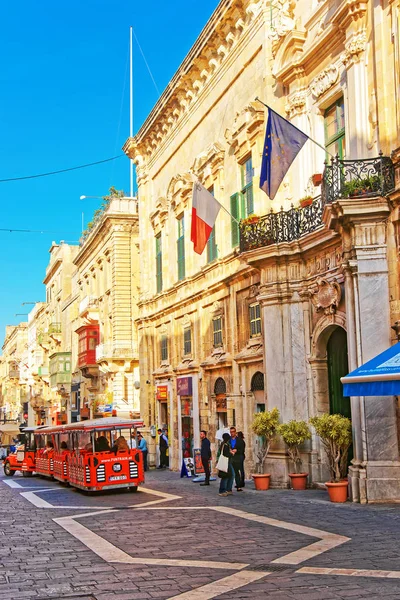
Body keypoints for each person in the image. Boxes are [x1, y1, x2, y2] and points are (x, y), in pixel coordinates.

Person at [217, 433, 235, 497]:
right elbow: (225, 454)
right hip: (226, 462)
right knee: (226, 476)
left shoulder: (224, 444)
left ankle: (228, 489)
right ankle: (223, 490)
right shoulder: (225, 444)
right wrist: (232, 453)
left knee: (230, 475)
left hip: (227, 462)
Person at [230, 426, 245, 491]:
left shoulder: (239, 440)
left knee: (239, 471)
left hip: (238, 457)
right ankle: (235, 486)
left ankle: (240, 484)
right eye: (231, 432)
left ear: (235, 432)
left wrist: (236, 451)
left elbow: (242, 450)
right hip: (231, 457)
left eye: (233, 432)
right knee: (233, 472)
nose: (232, 433)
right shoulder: (229, 440)